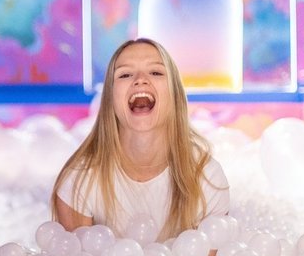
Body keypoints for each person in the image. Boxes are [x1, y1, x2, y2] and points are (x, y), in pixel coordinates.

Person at [51, 37, 229, 244]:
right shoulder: (79, 180)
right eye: (125, 74)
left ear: (175, 95)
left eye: (156, 72)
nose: (141, 79)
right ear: (109, 99)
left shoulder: (207, 177)